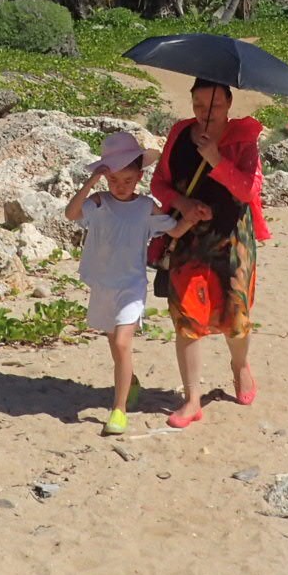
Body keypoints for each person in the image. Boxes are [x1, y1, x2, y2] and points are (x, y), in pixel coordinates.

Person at [150, 79, 270, 429]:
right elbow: (160, 183)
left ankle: (239, 365)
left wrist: (216, 159)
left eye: (214, 106)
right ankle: (191, 400)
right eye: (199, 105)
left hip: (232, 238)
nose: (205, 113)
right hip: (188, 237)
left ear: (229, 104)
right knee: (186, 318)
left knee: (236, 319)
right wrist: (183, 203)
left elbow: (248, 190)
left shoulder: (242, 140)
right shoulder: (179, 134)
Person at [64, 130, 190, 435]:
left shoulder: (146, 206)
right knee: (113, 341)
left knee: (122, 342)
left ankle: (118, 410)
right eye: (115, 180)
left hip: (132, 284)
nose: (121, 186)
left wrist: (193, 217)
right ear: (105, 178)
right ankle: (130, 379)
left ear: (139, 176)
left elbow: (173, 231)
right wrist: (92, 182)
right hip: (103, 283)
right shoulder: (98, 202)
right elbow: (71, 214)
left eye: (128, 179)